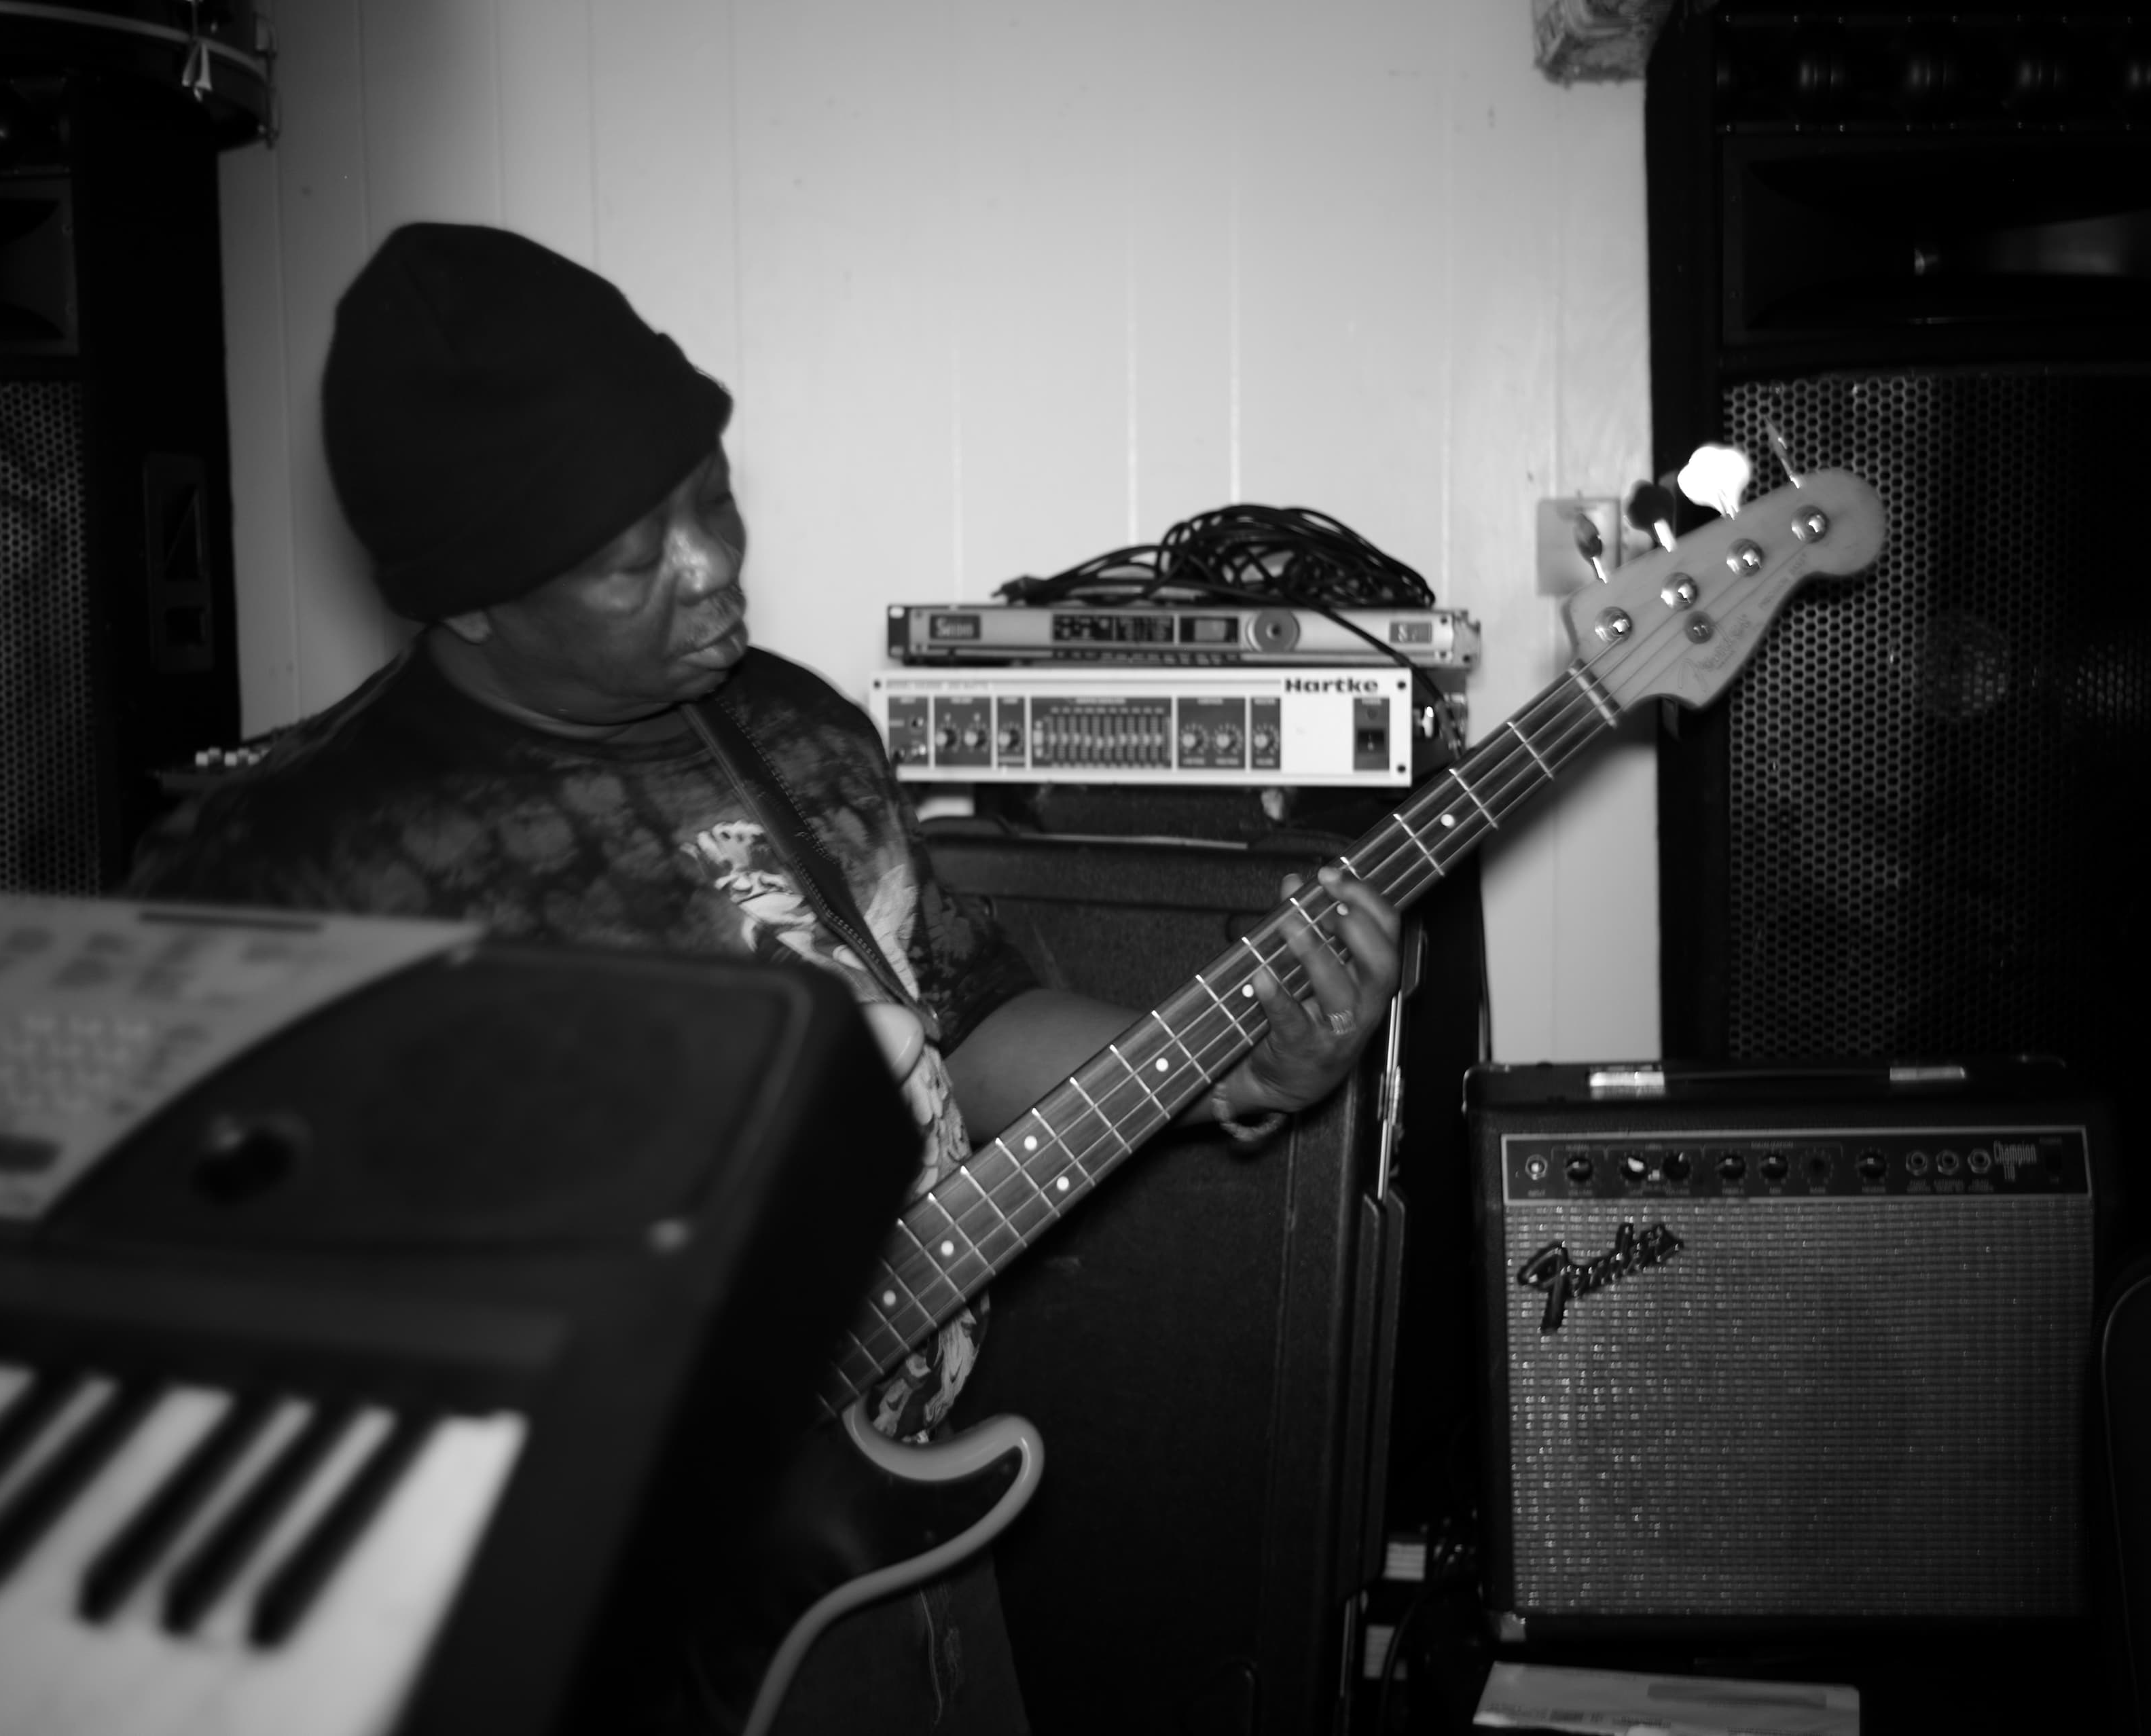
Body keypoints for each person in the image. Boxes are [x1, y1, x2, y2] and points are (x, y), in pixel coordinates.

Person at [123, 222, 1401, 1735]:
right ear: (467, 598)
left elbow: (961, 1015)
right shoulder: (284, 862)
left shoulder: (788, 730)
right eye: (625, 561)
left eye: (711, 498)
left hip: (892, 1556)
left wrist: (1236, 1068)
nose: (714, 566)